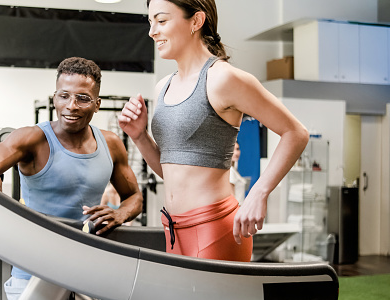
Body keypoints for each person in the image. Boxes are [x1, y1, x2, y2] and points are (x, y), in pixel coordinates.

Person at [118, 0, 309, 261]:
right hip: (173, 228)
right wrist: (139, 136)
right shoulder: (162, 87)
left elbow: (295, 133)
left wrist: (259, 193)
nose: (152, 31)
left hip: (214, 229)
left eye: (161, 21)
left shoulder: (223, 78)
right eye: (150, 22)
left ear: (196, 21)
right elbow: (171, 171)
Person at [0, 57, 143, 300]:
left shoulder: (111, 144)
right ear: (55, 98)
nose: (72, 105)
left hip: (88, 274)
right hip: (33, 273)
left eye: (83, 98)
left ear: (97, 104)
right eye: (64, 96)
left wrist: (120, 214)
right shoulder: (31, 139)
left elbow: (134, 197)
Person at [229, 141, 247, 205]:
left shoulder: (233, 170)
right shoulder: (230, 171)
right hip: (236, 210)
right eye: (233, 150)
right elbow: (232, 198)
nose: (236, 153)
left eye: (237, 149)